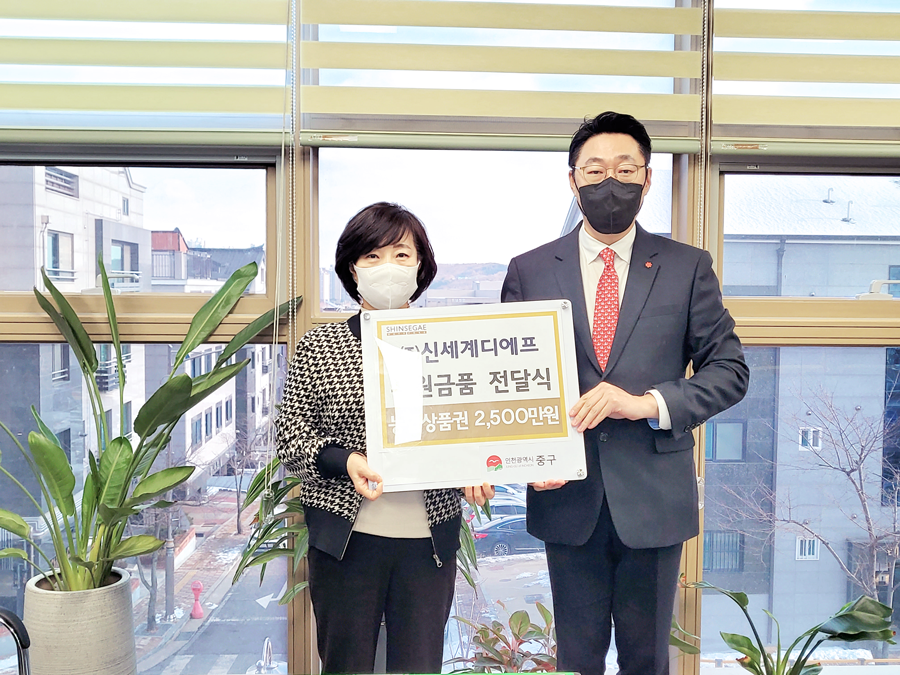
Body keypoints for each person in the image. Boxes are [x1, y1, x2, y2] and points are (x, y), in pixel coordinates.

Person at [501, 112, 749, 675]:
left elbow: (729, 370)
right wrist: (529, 456)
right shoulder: (530, 270)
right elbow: (512, 378)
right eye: (594, 171)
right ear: (573, 181)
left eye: (624, 169)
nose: (609, 182)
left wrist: (647, 403)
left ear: (647, 178)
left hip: (654, 496)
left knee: (647, 659)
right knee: (576, 659)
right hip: (566, 495)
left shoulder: (687, 267)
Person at [276, 201, 493, 674]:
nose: (387, 267)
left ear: (421, 266)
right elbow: (291, 436)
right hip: (347, 540)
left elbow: (474, 428)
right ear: (352, 268)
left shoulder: (452, 347)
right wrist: (346, 461)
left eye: (401, 254)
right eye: (372, 256)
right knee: (345, 664)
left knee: (419, 666)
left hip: (427, 543)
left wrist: (476, 469)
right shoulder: (320, 346)